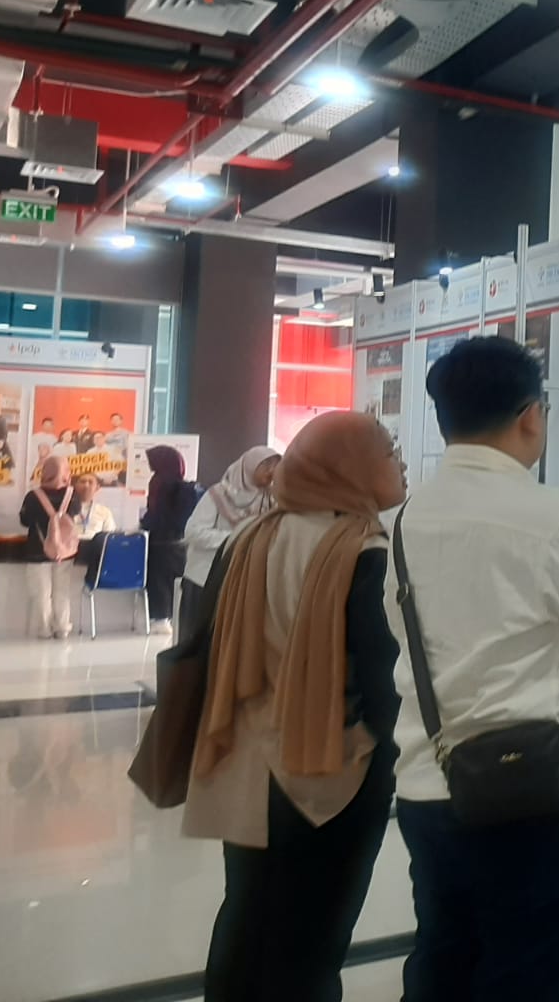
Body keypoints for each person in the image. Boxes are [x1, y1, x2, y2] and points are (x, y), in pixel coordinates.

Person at [389, 336, 559, 1002]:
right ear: (531, 416)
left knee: (443, 969)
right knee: (535, 977)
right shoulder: (551, 516)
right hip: (539, 797)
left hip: (429, 788)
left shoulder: (402, 520)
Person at [185, 412, 405, 1002]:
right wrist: (392, 758)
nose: (401, 462)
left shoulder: (251, 537)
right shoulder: (363, 551)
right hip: (332, 770)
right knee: (314, 936)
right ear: (349, 469)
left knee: (246, 915)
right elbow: (382, 680)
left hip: (247, 762)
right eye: (388, 452)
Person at [182, 446, 281, 640]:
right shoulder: (218, 494)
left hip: (245, 581)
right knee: (200, 641)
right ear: (249, 466)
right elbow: (193, 532)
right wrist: (236, 538)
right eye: (266, 465)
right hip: (205, 579)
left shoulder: (270, 497)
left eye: (276, 466)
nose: (272, 471)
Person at [21, 456, 82, 638]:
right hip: (65, 551)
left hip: (37, 550)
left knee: (42, 593)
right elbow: (75, 515)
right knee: (62, 591)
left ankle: (44, 629)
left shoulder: (33, 496)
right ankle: (62, 628)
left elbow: (25, 521)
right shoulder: (73, 495)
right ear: (66, 472)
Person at [140, 445, 198, 636]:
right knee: (174, 582)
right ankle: (172, 618)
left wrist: (144, 524)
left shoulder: (159, 483)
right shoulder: (185, 486)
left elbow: (156, 513)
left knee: (158, 581)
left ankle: (160, 619)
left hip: (160, 541)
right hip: (178, 543)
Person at [71, 473, 118, 540]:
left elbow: (109, 536)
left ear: (97, 487)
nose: (86, 485)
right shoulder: (65, 508)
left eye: (90, 482)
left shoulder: (104, 511)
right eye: (82, 482)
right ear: (76, 485)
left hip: (95, 545)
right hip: (70, 544)